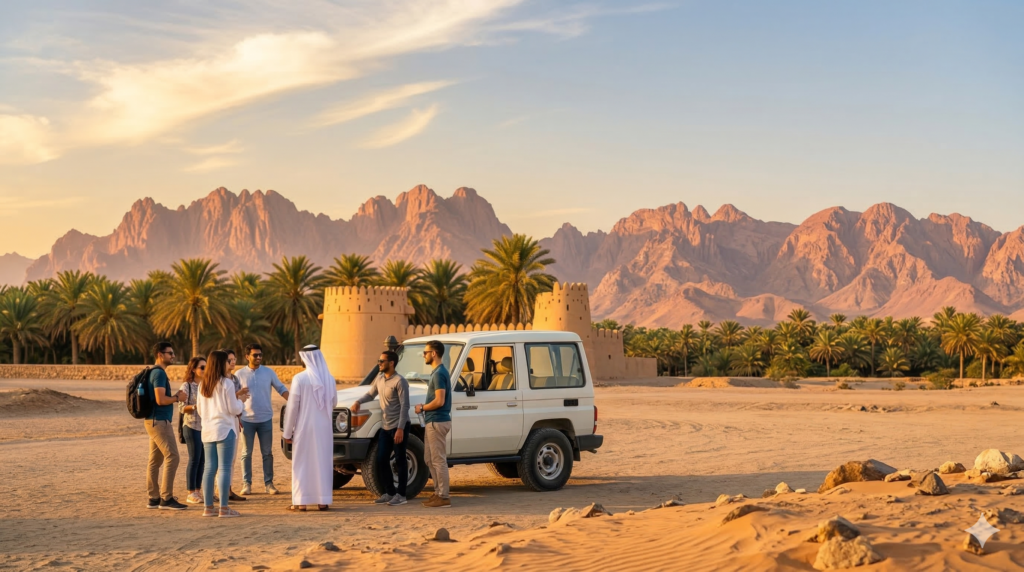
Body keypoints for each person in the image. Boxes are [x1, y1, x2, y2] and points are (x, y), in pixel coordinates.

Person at [282, 345, 337, 511]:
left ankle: (301, 502)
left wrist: (287, 431)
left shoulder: (299, 379)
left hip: (303, 427)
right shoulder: (330, 379)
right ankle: (323, 500)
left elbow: (292, 407)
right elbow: (333, 403)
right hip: (324, 429)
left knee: (302, 463)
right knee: (322, 462)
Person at [352, 350, 410, 506]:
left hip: (399, 426)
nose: (379, 363)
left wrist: (400, 429)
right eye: (379, 360)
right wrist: (358, 402)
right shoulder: (379, 379)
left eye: (382, 361)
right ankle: (389, 492)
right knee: (381, 459)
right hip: (385, 427)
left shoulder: (400, 381)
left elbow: (405, 406)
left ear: (391, 363)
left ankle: (401, 495)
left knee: (400, 460)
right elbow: (370, 394)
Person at [197, 350, 250, 518]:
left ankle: (208, 508)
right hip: (225, 429)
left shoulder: (202, 385)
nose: (230, 364)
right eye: (227, 361)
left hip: (208, 429)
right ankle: (224, 508)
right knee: (225, 468)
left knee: (209, 468)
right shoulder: (226, 383)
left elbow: (199, 409)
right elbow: (233, 409)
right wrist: (241, 402)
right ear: (221, 363)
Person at [235, 343, 289, 495]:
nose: (258, 357)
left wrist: (294, 401)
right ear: (247, 356)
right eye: (255, 355)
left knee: (267, 453)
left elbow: (281, 388)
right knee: (246, 453)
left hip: (265, 419)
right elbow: (231, 395)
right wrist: (239, 393)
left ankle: (269, 484)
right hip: (246, 420)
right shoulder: (239, 374)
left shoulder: (268, 372)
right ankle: (247, 484)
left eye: (260, 355)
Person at [145, 341, 188, 511]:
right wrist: (177, 398)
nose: (173, 356)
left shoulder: (152, 372)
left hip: (153, 420)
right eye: (170, 353)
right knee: (173, 456)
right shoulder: (159, 374)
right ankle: (166, 498)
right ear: (160, 355)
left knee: (155, 460)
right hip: (159, 421)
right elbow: (160, 400)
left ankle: (153, 497)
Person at [415, 340, 453, 508]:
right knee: (429, 459)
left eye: (425, 352)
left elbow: (439, 400)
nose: (424, 355)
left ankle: (444, 496)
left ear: (434, 353)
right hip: (433, 421)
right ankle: (438, 493)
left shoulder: (439, 374)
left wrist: (422, 407)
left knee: (438, 460)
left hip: (437, 421)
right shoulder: (437, 372)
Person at [178, 356, 206, 505]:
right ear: (194, 369)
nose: (205, 370)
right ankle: (190, 492)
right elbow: (182, 408)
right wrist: (196, 406)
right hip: (191, 425)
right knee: (194, 459)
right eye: (202, 367)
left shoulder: (207, 385)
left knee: (203, 460)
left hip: (205, 427)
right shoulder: (186, 386)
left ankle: (197, 490)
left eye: (206, 367)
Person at [221, 349, 246, 502]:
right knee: (218, 461)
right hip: (223, 421)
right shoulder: (219, 380)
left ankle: (228, 490)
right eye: (230, 359)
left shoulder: (235, 379)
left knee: (232, 459)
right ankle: (219, 492)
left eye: (234, 359)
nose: (233, 362)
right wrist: (239, 397)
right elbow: (227, 401)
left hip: (234, 420)